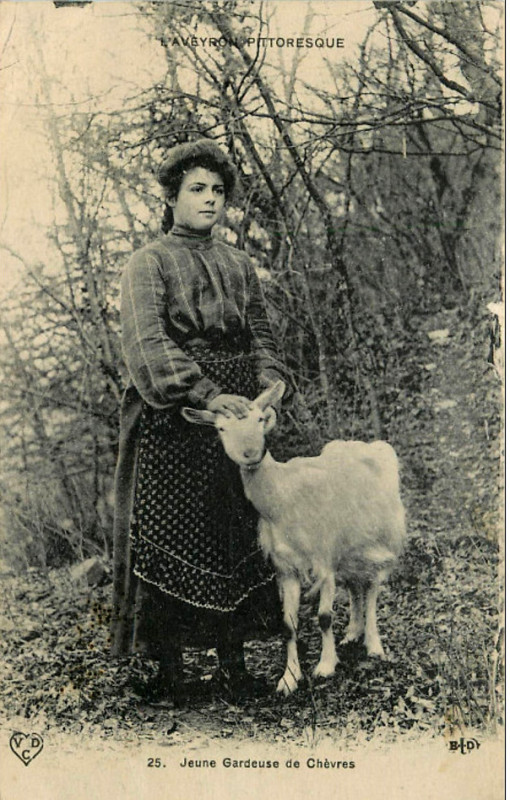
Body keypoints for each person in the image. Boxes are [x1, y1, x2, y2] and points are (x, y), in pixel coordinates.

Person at [110, 139, 286, 706]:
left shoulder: (238, 265)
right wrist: (208, 394)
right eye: (197, 190)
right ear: (172, 197)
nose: (210, 200)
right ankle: (167, 671)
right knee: (168, 536)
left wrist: (269, 390)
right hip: (172, 418)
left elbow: (263, 335)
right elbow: (148, 347)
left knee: (235, 534)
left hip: (238, 422)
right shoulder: (148, 262)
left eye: (217, 191)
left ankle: (234, 665)